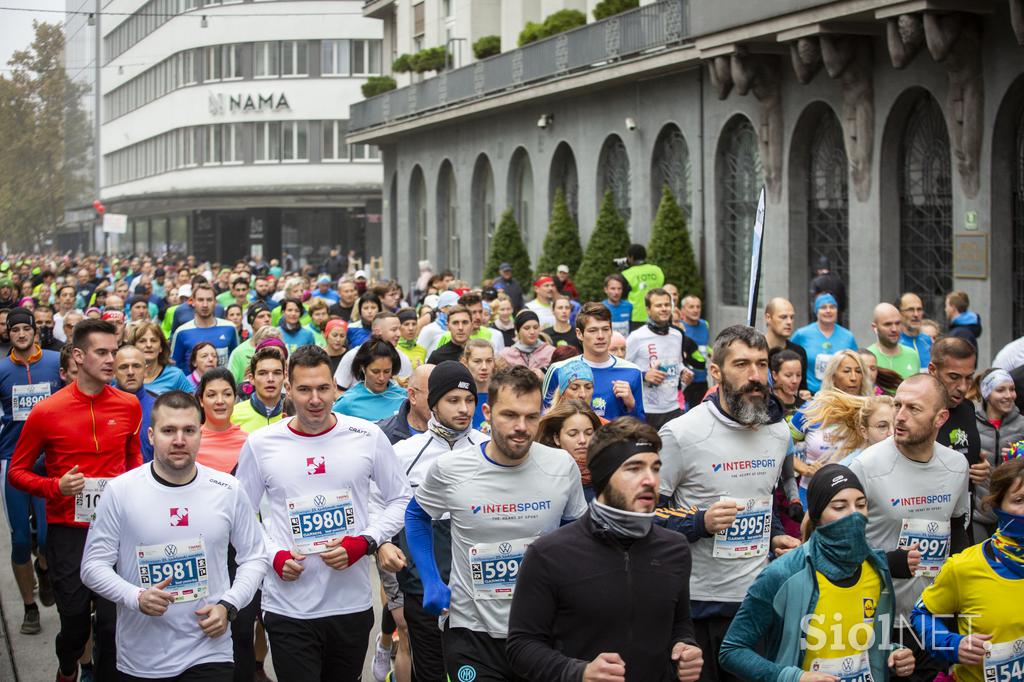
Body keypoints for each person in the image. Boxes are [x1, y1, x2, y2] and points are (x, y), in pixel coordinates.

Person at [236, 345, 412, 682]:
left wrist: (366, 542)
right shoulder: (261, 443)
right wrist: (273, 555)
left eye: (322, 388)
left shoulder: (367, 436)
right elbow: (241, 517)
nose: (314, 399)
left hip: (350, 603)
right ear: (289, 390)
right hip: (289, 604)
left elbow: (401, 499)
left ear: (335, 386)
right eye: (304, 389)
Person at [404, 364, 587, 681]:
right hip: (472, 632)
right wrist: (431, 580)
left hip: (543, 630)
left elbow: (580, 536)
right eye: (510, 415)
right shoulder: (451, 469)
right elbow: (416, 515)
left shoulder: (561, 466)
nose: (521, 427)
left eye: (531, 417)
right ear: (487, 412)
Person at [81, 390, 268, 682]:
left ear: (200, 434)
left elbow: (255, 557)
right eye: (169, 431)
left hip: (209, 651)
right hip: (142, 657)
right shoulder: (121, 491)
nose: (179, 440)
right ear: (152, 436)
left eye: (189, 430)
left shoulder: (228, 489)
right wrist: (135, 597)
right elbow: (92, 567)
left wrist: (229, 605)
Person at [508, 417, 704, 682]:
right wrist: (578, 672)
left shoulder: (675, 548)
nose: (650, 480)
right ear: (603, 476)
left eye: (655, 468)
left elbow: (679, 624)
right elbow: (522, 647)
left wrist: (685, 647)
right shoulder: (549, 554)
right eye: (634, 468)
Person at [656, 325, 800, 682]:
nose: (755, 377)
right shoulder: (681, 433)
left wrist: (774, 535)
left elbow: (763, 501)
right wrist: (699, 522)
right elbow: (644, 517)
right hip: (696, 605)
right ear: (716, 372)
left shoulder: (778, 433)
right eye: (741, 365)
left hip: (757, 599)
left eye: (761, 364)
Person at [8, 318, 143, 682]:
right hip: (69, 531)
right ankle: (68, 667)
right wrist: (57, 487)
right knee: (75, 627)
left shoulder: (129, 405)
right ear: (79, 356)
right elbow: (16, 473)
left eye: (114, 352)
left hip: (117, 529)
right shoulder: (47, 412)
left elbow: (134, 461)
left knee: (115, 628)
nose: (111, 360)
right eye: (102, 352)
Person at [720, 463, 916, 682]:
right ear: (817, 515)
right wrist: (794, 677)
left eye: (861, 505)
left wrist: (894, 653)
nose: (854, 515)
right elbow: (732, 650)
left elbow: (869, 642)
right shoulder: (783, 573)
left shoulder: (876, 568)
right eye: (840, 507)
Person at [847, 373, 971, 682]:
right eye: (897, 405)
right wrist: (887, 563)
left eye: (913, 409)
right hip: (878, 620)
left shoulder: (956, 466)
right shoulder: (866, 466)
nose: (899, 418)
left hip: (933, 618)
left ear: (940, 417)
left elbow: (957, 533)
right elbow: (835, 546)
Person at [383, 362, 489, 682]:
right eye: (453, 400)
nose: (463, 409)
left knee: (471, 672)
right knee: (430, 671)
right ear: (433, 404)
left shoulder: (487, 448)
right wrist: (384, 544)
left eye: (469, 400)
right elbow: (380, 506)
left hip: (478, 586)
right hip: (423, 585)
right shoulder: (403, 453)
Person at [911, 458, 1024, 682]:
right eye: (1019, 500)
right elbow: (920, 615)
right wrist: (953, 645)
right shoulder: (964, 567)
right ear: (997, 506)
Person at [0, 307, 61, 635]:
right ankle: (28, 607)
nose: (21, 335)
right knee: (21, 539)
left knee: (49, 536)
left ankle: (45, 568)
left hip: (49, 462)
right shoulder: (1, 370)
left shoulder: (54, 363)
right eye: (15, 330)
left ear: (35, 332)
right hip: (13, 461)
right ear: (8, 334)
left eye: (26, 329)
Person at [791, 350, 874, 505]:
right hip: (812, 495)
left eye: (858, 371)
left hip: (858, 498)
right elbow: (782, 447)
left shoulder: (870, 410)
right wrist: (803, 468)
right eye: (847, 371)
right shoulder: (813, 408)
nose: (854, 377)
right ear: (833, 376)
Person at [543, 302, 645, 421]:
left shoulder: (632, 371)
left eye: (605, 329)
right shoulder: (559, 370)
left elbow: (641, 426)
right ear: (579, 334)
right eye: (593, 330)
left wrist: (631, 405)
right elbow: (544, 420)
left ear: (611, 332)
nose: (601, 336)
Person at [627, 287, 694, 430]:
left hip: (674, 408)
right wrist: (644, 376)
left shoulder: (677, 335)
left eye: (667, 305)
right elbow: (622, 370)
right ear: (648, 309)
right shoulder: (636, 337)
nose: (664, 309)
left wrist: (684, 372)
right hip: (647, 410)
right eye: (658, 305)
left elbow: (679, 363)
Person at [973, 368, 1024, 539]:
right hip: (978, 514)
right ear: (987, 393)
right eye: (1000, 390)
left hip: (1012, 515)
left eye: (1012, 389)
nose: (1009, 395)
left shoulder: (1022, 423)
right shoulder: (971, 422)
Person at [929, 336, 985, 484]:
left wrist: (980, 468)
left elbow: (969, 455)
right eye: (954, 377)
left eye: (969, 378)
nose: (963, 387)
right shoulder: (913, 413)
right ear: (932, 370)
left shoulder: (967, 408)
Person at [791, 293, 858, 394]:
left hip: (839, 393)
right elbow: (789, 360)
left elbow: (855, 364)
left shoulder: (848, 336)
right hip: (810, 394)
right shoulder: (802, 334)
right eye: (823, 307)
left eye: (832, 307)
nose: (828, 311)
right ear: (816, 311)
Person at [537, 399, 601, 501]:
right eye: (573, 434)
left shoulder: (608, 475)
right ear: (557, 438)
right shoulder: (543, 476)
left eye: (588, 433)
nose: (582, 440)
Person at [333, 313, 413, 391]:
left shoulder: (403, 358)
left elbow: (407, 390)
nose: (399, 334)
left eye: (387, 371)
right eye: (394, 330)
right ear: (377, 331)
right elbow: (337, 390)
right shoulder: (353, 356)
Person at [332, 339, 408, 421]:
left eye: (387, 371)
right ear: (363, 368)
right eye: (375, 372)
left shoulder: (404, 397)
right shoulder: (348, 401)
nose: (381, 378)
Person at [170, 283, 239, 369]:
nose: (205, 305)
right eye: (200, 300)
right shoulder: (182, 332)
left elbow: (236, 362)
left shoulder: (230, 328)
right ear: (193, 302)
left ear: (215, 302)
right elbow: (175, 366)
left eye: (209, 300)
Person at [115, 344, 156, 462]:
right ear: (113, 372)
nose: (130, 372)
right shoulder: (101, 405)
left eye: (136, 366)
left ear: (146, 371)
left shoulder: (160, 408)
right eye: (123, 367)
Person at [377, 364, 435, 444]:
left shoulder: (455, 433)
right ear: (413, 396)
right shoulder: (381, 435)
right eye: (434, 396)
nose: (441, 404)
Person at [231, 347, 285, 433]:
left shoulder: (296, 414)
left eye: (277, 373)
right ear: (251, 379)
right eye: (263, 373)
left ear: (284, 377)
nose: (270, 379)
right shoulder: (233, 414)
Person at [764, 298, 809, 395]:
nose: (789, 322)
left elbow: (802, 388)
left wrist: (803, 395)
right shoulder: (756, 350)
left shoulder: (799, 352)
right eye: (783, 317)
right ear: (768, 318)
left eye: (792, 317)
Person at [869, 302, 921, 380]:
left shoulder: (912, 355)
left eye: (897, 323)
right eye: (888, 324)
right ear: (874, 327)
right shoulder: (867, 357)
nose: (894, 329)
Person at [500, 310, 555, 380]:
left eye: (535, 327)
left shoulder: (551, 352)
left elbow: (558, 382)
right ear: (518, 331)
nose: (532, 332)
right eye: (526, 328)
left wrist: (544, 378)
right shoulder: (506, 355)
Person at [226, 303, 273, 383]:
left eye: (269, 315)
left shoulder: (281, 348)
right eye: (261, 316)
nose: (267, 319)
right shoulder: (239, 352)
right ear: (251, 321)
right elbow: (229, 384)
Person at [621, 244, 664, 327]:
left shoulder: (627, 274)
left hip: (637, 317)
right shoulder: (657, 270)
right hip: (657, 314)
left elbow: (621, 296)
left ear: (631, 257)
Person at [680, 295, 711, 410]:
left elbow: (704, 346)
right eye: (691, 307)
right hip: (687, 382)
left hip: (703, 379)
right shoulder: (680, 327)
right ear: (683, 310)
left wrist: (711, 352)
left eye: (698, 307)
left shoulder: (704, 325)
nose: (695, 310)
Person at [462, 339, 495, 431]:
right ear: (465, 363)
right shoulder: (458, 397)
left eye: (489, 361)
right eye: (477, 361)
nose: (484, 367)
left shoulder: (501, 395)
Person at [898, 292, 933, 367]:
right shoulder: (895, 342)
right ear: (899, 313)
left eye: (919, 309)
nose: (916, 314)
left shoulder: (927, 340)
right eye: (910, 310)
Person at [807, 255, 847, 320]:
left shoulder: (815, 282)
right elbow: (843, 302)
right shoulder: (838, 281)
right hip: (836, 317)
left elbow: (813, 303)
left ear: (819, 270)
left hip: (820, 318)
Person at [770, 349, 805, 415]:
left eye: (798, 375)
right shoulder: (767, 405)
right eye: (788, 375)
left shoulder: (805, 408)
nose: (795, 380)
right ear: (774, 375)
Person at [602, 274, 633, 339]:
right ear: (606, 290)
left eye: (619, 289)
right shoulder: (601, 308)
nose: (616, 292)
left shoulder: (629, 306)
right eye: (613, 289)